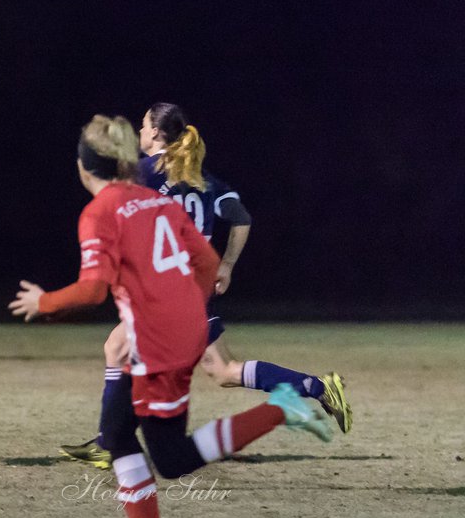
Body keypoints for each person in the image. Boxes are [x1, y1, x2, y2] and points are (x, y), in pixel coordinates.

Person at [10, 114, 334, 518]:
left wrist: (44, 302)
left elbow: (93, 289)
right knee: (117, 432)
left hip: (161, 341)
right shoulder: (154, 201)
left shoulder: (99, 213)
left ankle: (281, 407)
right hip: (182, 324)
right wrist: (181, 304)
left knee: (172, 458)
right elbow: (206, 260)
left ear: (85, 168)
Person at [59, 102, 351, 469]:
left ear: (156, 134)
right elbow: (241, 217)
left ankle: (109, 443)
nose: (139, 133)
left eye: (144, 125)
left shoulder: (147, 172)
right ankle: (319, 388)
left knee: (118, 348)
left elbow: (118, 205)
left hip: (168, 294)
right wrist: (226, 265)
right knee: (223, 371)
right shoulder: (202, 177)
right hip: (195, 287)